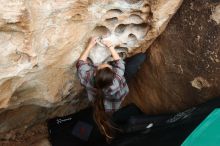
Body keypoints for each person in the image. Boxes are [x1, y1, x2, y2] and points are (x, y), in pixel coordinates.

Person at [76, 36, 146, 142]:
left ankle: (106, 116)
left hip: (108, 102)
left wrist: (90, 45)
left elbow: (80, 63)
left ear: (94, 72)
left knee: (104, 109)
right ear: (113, 74)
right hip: (118, 92)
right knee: (141, 57)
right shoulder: (117, 79)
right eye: (108, 67)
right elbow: (119, 63)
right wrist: (111, 47)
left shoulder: (88, 78)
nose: (107, 64)